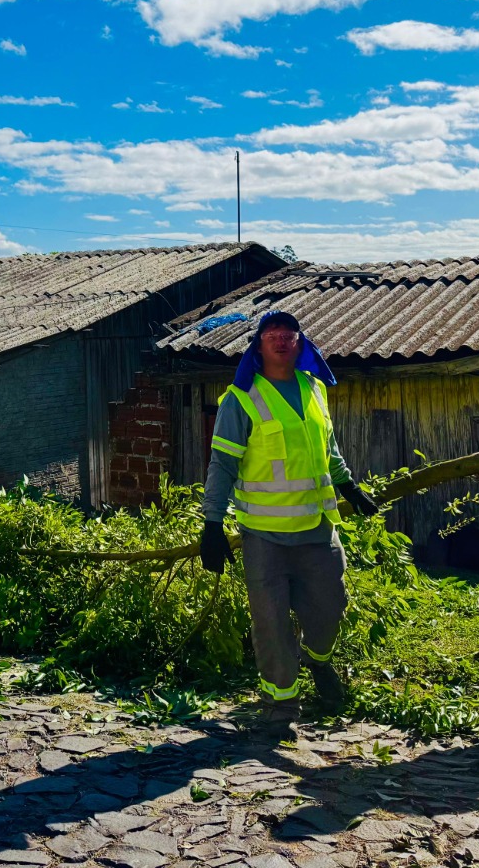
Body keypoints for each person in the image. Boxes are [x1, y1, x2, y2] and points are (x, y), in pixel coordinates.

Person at [199, 311, 379, 727]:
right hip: (264, 536)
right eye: (271, 335)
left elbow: (327, 445)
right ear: (258, 346)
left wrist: (348, 486)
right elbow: (222, 464)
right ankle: (281, 707)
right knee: (271, 623)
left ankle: (317, 661)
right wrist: (212, 524)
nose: (280, 341)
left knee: (331, 607)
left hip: (318, 529)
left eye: (288, 335)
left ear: (300, 343)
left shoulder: (314, 388)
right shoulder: (240, 398)